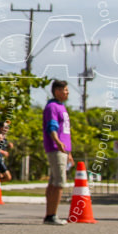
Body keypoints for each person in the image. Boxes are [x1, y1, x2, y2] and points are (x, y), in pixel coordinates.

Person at [42, 80, 73, 225]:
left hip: (63, 150)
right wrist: (58, 142)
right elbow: (52, 127)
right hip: (56, 149)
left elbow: (64, 131)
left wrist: (69, 152)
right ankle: (51, 215)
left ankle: (50, 214)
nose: (67, 92)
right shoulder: (52, 107)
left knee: (54, 182)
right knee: (60, 182)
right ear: (57, 91)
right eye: (65, 90)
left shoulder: (62, 107)